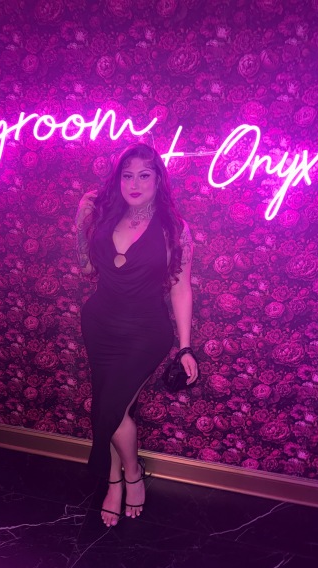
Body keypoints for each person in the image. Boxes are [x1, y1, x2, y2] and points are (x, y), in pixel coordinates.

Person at [75, 143, 198, 527]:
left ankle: (126, 476)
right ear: (118, 179)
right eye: (127, 175)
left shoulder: (174, 229)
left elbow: (180, 287)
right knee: (113, 409)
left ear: (158, 179)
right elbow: (85, 267)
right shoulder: (103, 216)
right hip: (100, 325)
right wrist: (80, 221)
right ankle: (124, 476)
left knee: (108, 409)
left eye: (144, 175)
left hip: (146, 333)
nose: (135, 183)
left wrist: (186, 347)